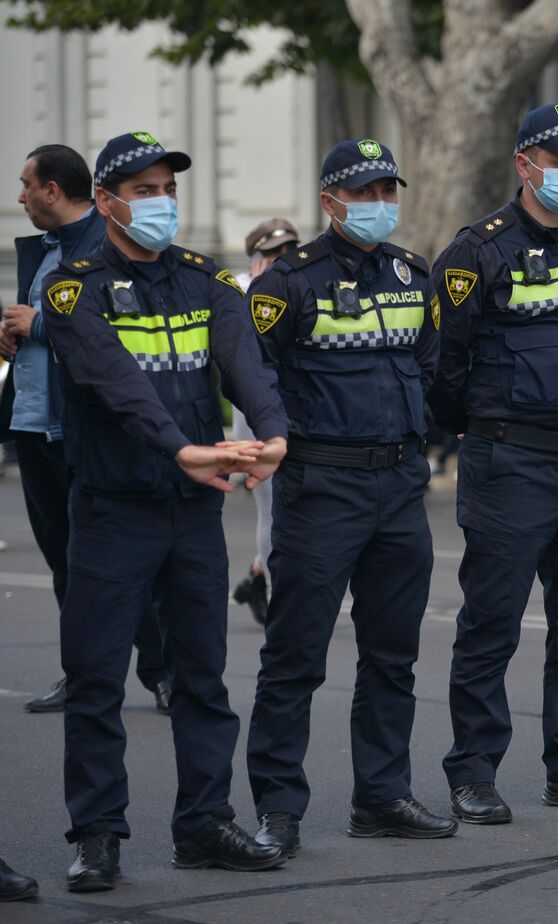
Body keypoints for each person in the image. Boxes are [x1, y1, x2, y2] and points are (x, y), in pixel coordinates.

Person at [42, 130, 290, 890]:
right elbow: (115, 383)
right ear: (108, 200)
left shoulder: (203, 279)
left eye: (168, 189)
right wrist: (178, 446)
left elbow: (243, 360)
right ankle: (96, 835)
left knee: (202, 676)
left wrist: (274, 431)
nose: (160, 203)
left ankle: (204, 823)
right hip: (116, 507)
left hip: (191, 509)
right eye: (144, 190)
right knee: (95, 679)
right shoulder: (72, 289)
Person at [429, 102, 558, 824]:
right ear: (525, 165)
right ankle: (474, 769)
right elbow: (444, 365)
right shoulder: (476, 251)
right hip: (510, 460)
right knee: (493, 620)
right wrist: (485, 431)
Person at [245, 140, 454, 854]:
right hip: (320, 485)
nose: (378, 205)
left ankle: (384, 795)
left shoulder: (409, 273)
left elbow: (429, 366)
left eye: (387, 191)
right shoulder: (287, 284)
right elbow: (253, 377)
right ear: (331, 201)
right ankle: (278, 807)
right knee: (296, 655)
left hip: (397, 485)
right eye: (363, 193)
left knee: (392, 656)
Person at [3, 144, 170, 716]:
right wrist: (13, 335)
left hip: (82, 428)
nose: (19, 196)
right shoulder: (44, 250)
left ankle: (161, 671)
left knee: (116, 562)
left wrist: (40, 323)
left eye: (26, 184)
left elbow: (118, 320)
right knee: (63, 561)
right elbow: (40, 323)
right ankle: (82, 675)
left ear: (52, 190)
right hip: (33, 424)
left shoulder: (107, 241)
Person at [229, 218, 299, 626]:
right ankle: (276, 596)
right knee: (272, 506)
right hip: (257, 413)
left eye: (290, 251)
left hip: (299, 409)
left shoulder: (303, 281)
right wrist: (258, 290)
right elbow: (241, 348)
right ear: (257, 258)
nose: (284, 261)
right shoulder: (239, 287)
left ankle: (258, 575)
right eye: (275, 255)